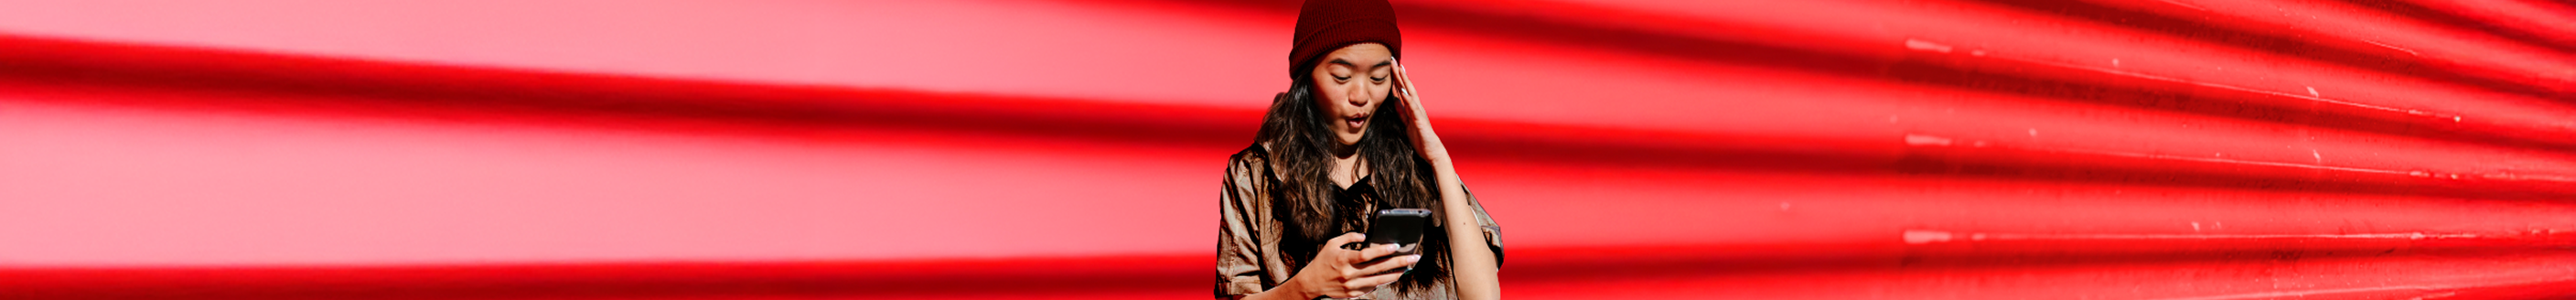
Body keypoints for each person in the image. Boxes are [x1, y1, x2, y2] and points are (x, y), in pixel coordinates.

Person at [1217, 0, 1501, 299]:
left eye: (1378, 77)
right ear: (1307, 76)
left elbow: (1484, 294)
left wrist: (1439, 161)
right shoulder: (1256, 173)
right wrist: (1304, 287)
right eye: (1342, 77)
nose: (1362, 96)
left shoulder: (1418, 163)